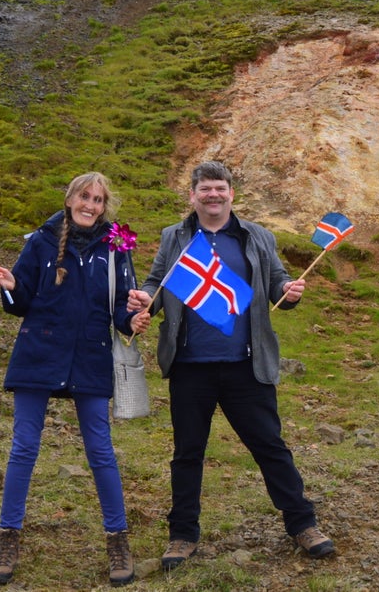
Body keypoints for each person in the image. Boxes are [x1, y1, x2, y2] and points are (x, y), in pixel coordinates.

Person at [127, 160, 334, 571]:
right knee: (187, 453)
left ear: (231, 193)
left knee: (270, 448)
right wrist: (144, 296)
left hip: (246, 365)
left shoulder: (257, 236)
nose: (213, 195)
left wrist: (289, 291)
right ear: (192, 195)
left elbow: (276, 280)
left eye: (220, 188)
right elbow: (157, 279)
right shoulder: (176, 236)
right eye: (205, 189)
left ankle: (303, 525)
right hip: (190, 366)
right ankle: (182, 535)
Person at [0, 171, 150, 587]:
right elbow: (19, 303)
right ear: (70, 198)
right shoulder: (40, 242)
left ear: (104, 205)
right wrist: (9, 285)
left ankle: (117, 540)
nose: (90, 205)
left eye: (98, 199)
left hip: (91, 360)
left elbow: (120, 312)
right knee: (24, 446)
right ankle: (7, 537)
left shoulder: (117, 248)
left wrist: (134, 318)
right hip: (38, 354)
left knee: (101, 450)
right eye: (84, 196)